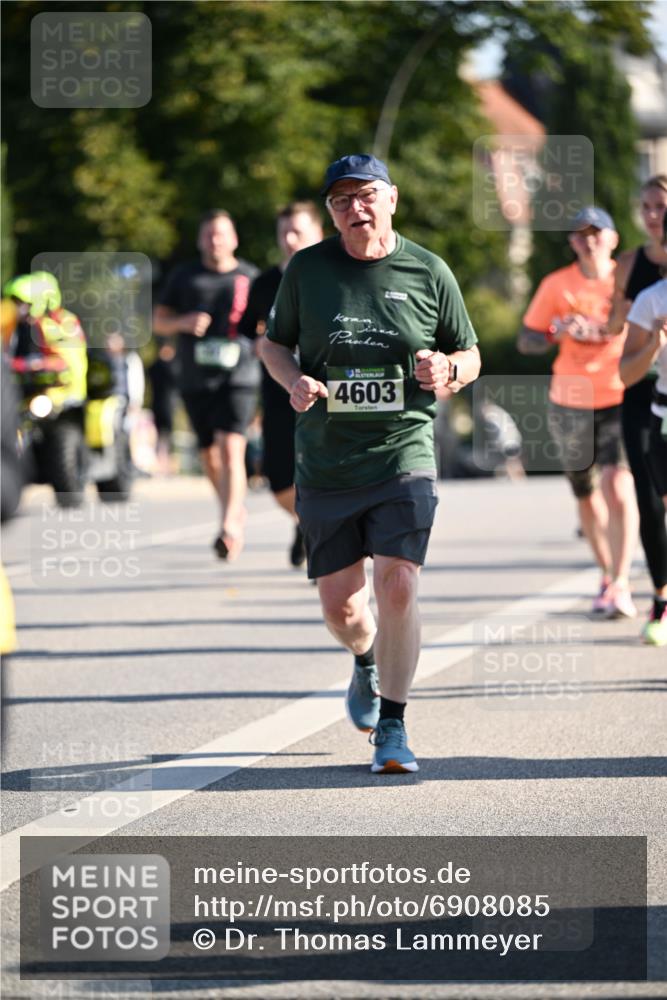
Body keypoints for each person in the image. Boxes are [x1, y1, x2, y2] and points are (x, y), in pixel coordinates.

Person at [262, 154, 480, 773]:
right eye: (340, 200)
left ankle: (393, 723)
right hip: (327, 461)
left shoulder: (429, 269)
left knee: (400, 584)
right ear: (329, 212)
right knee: (344, 608)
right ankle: (364, 660)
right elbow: (273, 343)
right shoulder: (307, 270)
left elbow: (469, 351)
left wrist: (451, 372)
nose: (353, 208)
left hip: (404, 448)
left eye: (365, 196)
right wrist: (292, 380)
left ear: (392, 199)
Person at [517, 207, 639, 617]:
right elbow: (526, 340)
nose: (589, 240)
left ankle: (621, 581)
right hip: (569, 401)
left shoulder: (624, 282)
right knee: (586, 495)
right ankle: (607, 574)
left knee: (617, 484)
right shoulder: (557, 284)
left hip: (620, 394)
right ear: (572, 242)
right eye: (580, 234)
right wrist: (557, 331)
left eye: (596, 232)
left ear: (613, 238)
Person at [153, 210, 259, 561]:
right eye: (209, 235)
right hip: (195, 378)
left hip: (239, 377)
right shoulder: (184, 277)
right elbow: (158, 322)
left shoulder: (250, 277)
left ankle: (229, 525)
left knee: (231, 447)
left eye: (222, 234)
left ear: (234, 239)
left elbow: (269, 325)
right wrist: (183, 321)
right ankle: (232, 507)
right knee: (209, 456)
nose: (216, 241)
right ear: (201, 240)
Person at [239, 201, 324, 568]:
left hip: (327, 394)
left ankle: (324, 537)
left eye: (298, 232)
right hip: (278, 393)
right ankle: (307, 525)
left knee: (325, 475)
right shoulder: (264, 284)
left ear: (319, 233)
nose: (289, 240)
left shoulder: (337, 276)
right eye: (283, 233)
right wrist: (259, 345)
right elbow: (245, 332)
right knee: (279, 483)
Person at [609, 176, 667, 644]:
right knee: (648, 497)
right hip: (641, 393)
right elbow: (615, 326)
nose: (653, 215)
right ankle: (661, 595)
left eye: (660, 206)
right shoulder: (631, 266)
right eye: (646, 206)